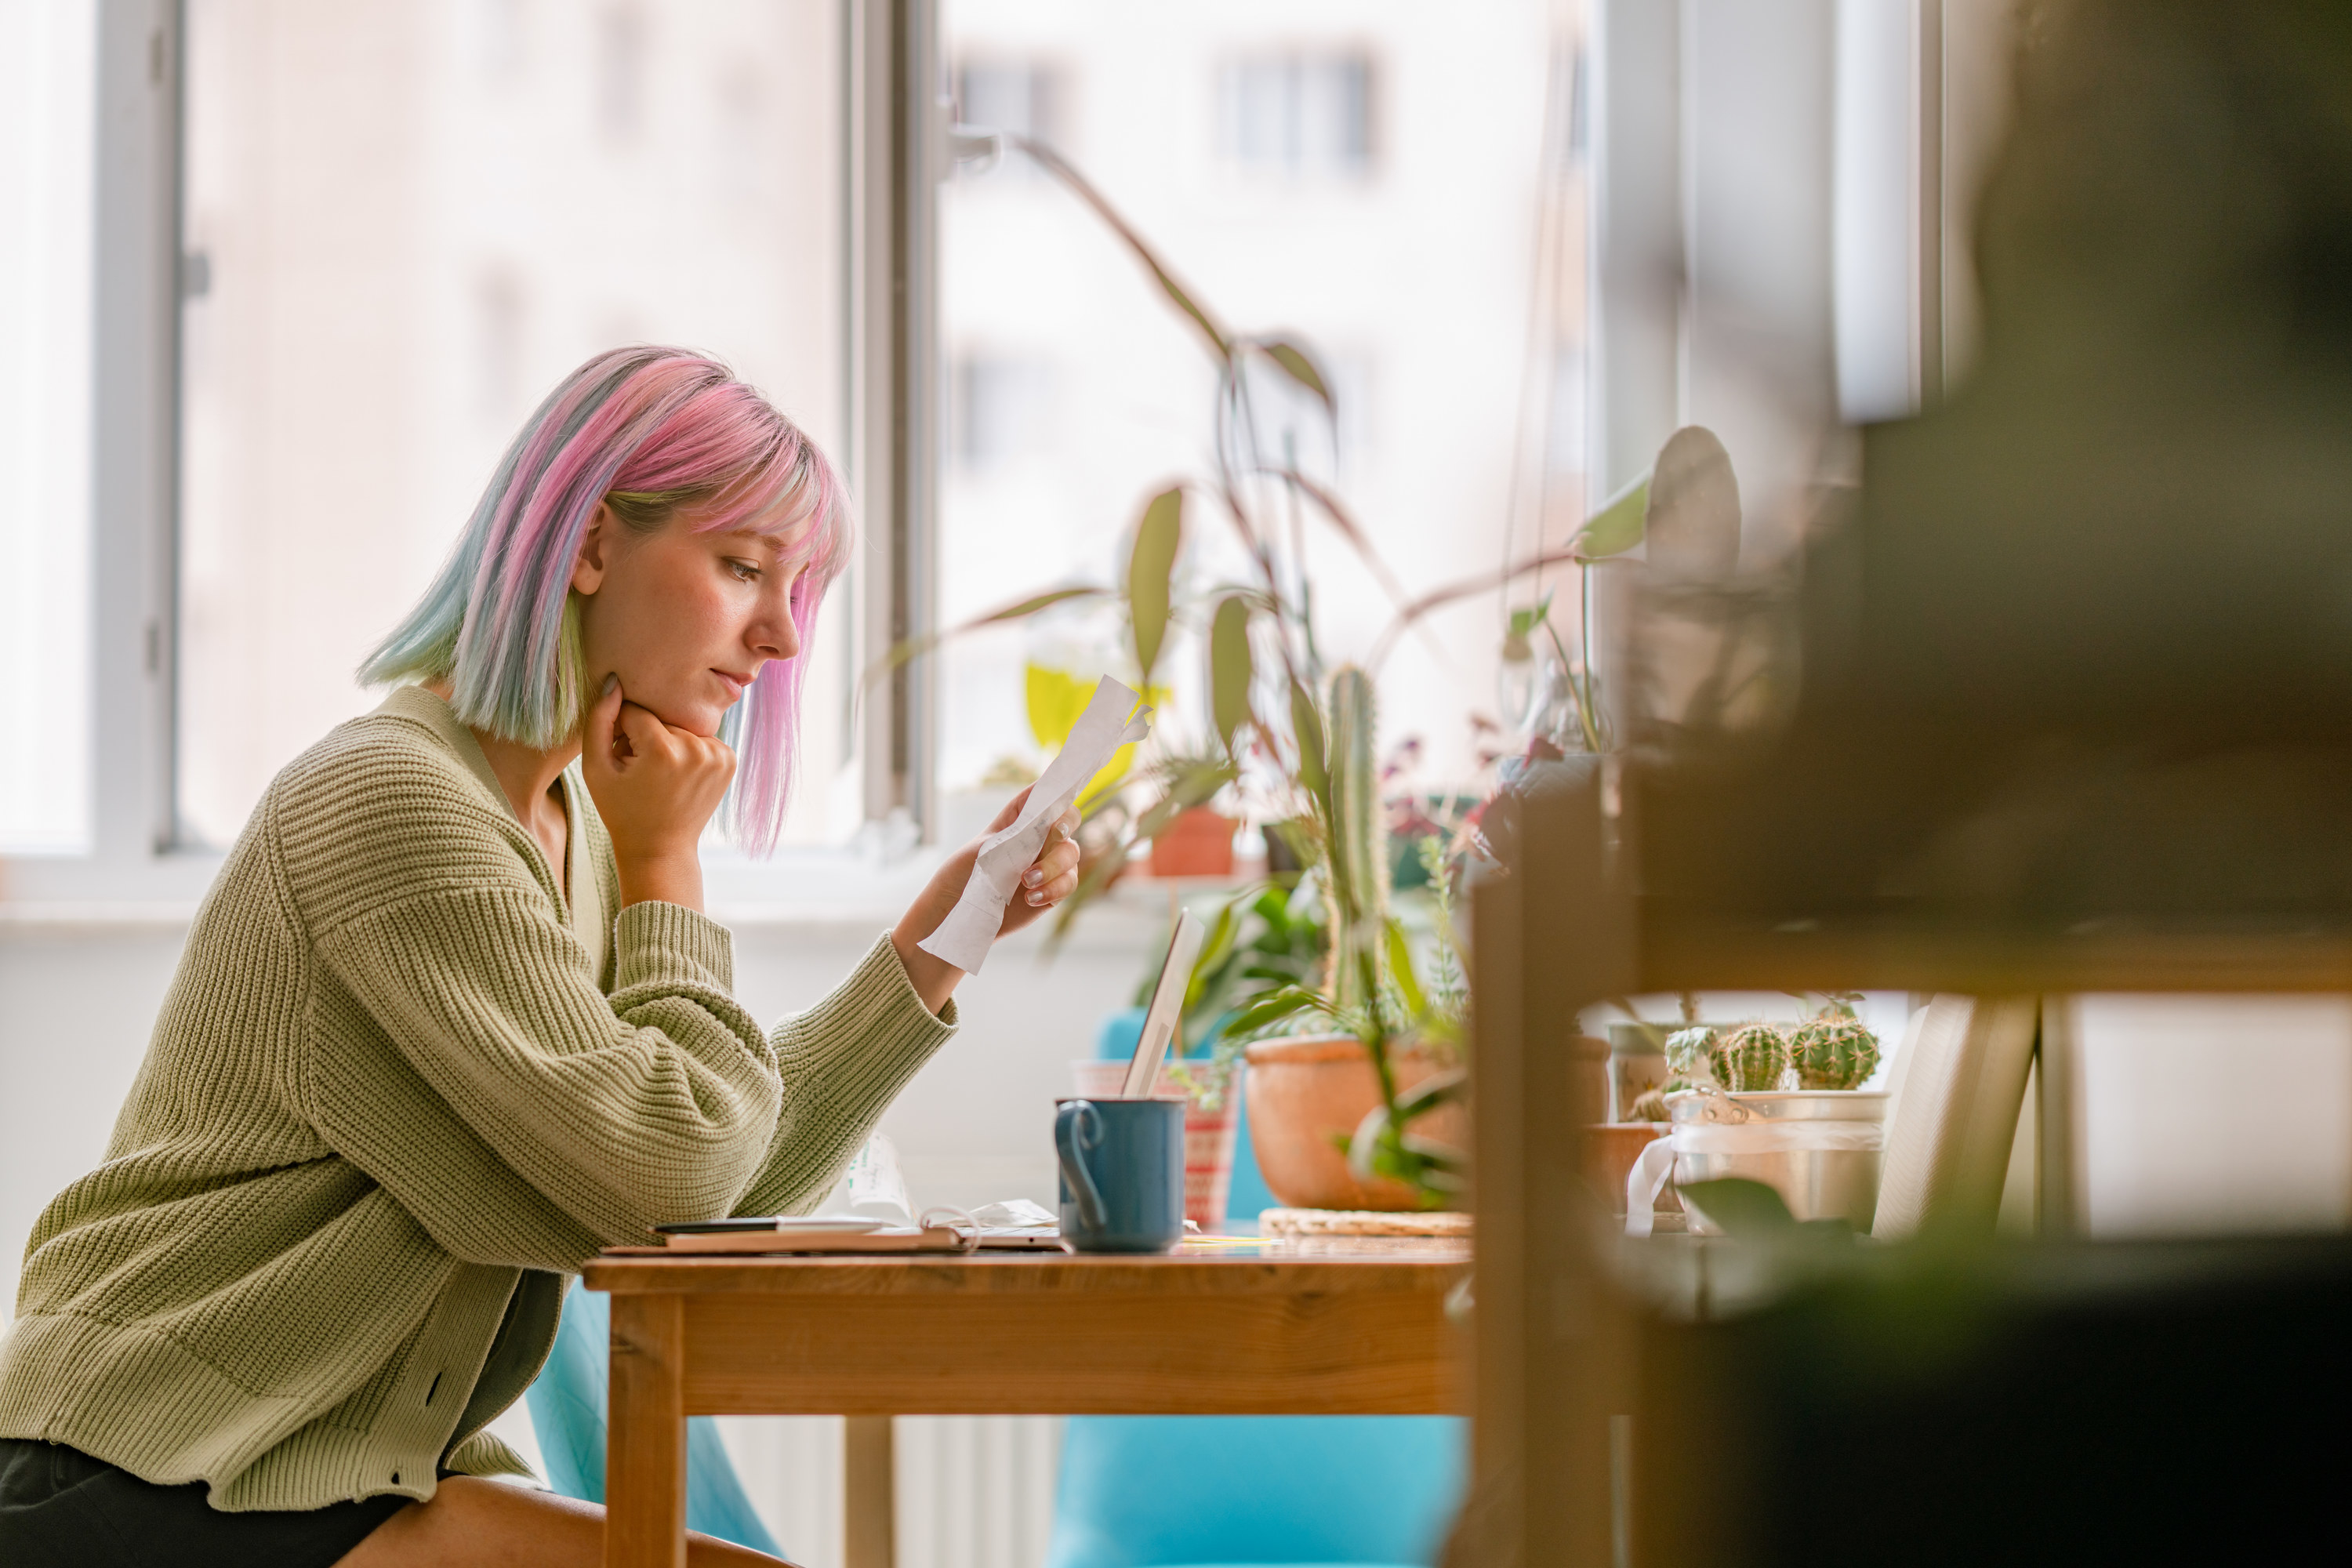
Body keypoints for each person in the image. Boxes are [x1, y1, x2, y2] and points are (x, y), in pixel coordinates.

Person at [0, 347, 1082, 1566]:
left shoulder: (567, 831)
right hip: (156, 1469)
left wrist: (936, 947)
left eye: (797, 592)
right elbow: (670, 1178)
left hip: (319, 1470)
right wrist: (671, 865)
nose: (782, 636)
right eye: (742, 569)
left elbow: (710, 1186)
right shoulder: (396, 806)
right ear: (590, 546)